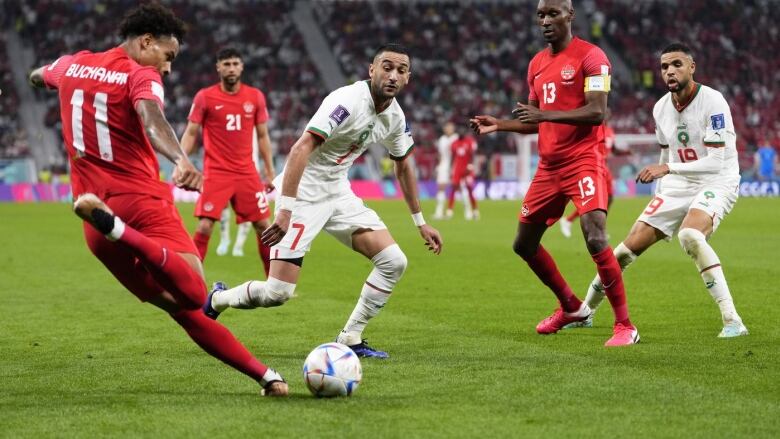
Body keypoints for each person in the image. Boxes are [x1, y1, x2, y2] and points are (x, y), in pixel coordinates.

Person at [28, 4, 287, 396]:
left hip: (93, 219)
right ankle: (119, 230)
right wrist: (182, 159)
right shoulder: (139, 73)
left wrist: (34, 80)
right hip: (140, 203)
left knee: (180, 310)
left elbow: (38, 76)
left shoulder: (72, 65)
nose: (167, 68)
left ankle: (265, 377)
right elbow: (152, 119)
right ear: (146, 42)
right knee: (198, 296)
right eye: (168, 56)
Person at [204, 43, 443, 358]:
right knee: (278, 293)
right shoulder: (346, 101)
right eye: (386, 67)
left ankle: (350, 338)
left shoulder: (395, 118)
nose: (392, 75)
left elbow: (403, 166)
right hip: (303, 193)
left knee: (394, 261)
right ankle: (218, 299)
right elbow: (300, 149)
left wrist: (420, 221)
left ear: (408, 78)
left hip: (338, 192)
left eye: (400, 70)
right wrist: (286, 209)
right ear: (372, 70)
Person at [470, 0, 638, 346]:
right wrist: (499, 124)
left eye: (553, 14)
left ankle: (625, 326)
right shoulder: (536, 64)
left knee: (595, 235)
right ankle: (572, 307)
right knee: (524, 244)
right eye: (540, 15)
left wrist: (545, 116)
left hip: (583, 161)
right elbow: (534, 119)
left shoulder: (593, 57)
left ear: (570, 15)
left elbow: (596, 113)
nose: (545, 21)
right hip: (548, 168)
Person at [570, 43, 748, 337]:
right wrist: (662, 192)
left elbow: (715, 161)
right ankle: (585, 311)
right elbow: (668, 155)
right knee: (625, 251)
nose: (670, 71)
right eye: (664, 67)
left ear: (692, 67)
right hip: (677, 184)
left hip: (718, 179)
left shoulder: (713, 102)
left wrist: (668, 169)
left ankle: (733, 320)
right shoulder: (660, 108)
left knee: (690, 235)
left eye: (677, 64)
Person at [180, 48, 274, 275]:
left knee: (264, 227)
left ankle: (275, 282)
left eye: (235, 63)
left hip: (246, 173)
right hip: (216, 173)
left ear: (241, 67)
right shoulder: (205, 96)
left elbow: (263, 135)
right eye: (226, 64)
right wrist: (181, 162)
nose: (231, 68)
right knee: (204, 225)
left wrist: (269, 170)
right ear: (218, 67)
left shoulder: (255, 96)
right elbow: (191, 132)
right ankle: (190, 280)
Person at [559, 111, 616, 237]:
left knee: (609, 198)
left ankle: (599, 227)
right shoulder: (592, 129)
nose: (606, 115)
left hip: (605, 168)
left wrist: (626, 152)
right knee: (591, 199)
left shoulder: (610, 131)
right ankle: (568, 220)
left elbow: (614, 149)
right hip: (592, 166)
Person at [446, 130, 480, 220]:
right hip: (457, 169)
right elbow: (453, 156)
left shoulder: (470, 141)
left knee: (469, 188)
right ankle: (449, 211)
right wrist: (451, 168)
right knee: (454, 188)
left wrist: (471, 165)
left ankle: (475, 210)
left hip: (467, 168)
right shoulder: (454, 143)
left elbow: (472, 154)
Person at [433, 122, 457, 219]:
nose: (448, 129)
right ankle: (439, 212)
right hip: (444, 165)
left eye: (450, 127)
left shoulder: (456, 138)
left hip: (455, 166)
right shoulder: (442, 139)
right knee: (441, 187)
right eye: (447, 127)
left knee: (460, 187)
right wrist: (439, 165)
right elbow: (440, 154)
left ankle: (469, 211)